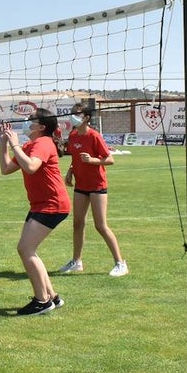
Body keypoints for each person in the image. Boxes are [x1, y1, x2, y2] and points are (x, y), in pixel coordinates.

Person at [0, 110, 71, 315]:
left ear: (41, 127)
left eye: (31, 119)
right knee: (28, 249)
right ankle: (52, 297)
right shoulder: (30, 145)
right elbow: (5, 169)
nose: (26, 122)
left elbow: (31, 166)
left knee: (25, 249)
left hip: (52, 204)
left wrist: (14, 144)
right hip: (40, 204)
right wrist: (4, 143)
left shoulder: (44, 143)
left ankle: (42, 301)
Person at [57, 104, 128, 278]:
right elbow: (76, 158)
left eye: (77, 114)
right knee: (77, 224)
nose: (73, 117)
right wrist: (70, 171)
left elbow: (109, 159)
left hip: (97, 186)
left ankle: (120, 263)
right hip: (81, 185)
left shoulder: (94, 136)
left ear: (87, 117)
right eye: (72, 114)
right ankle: (76, 261)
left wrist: (92, 161)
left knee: (100, 225)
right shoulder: (73, 135)